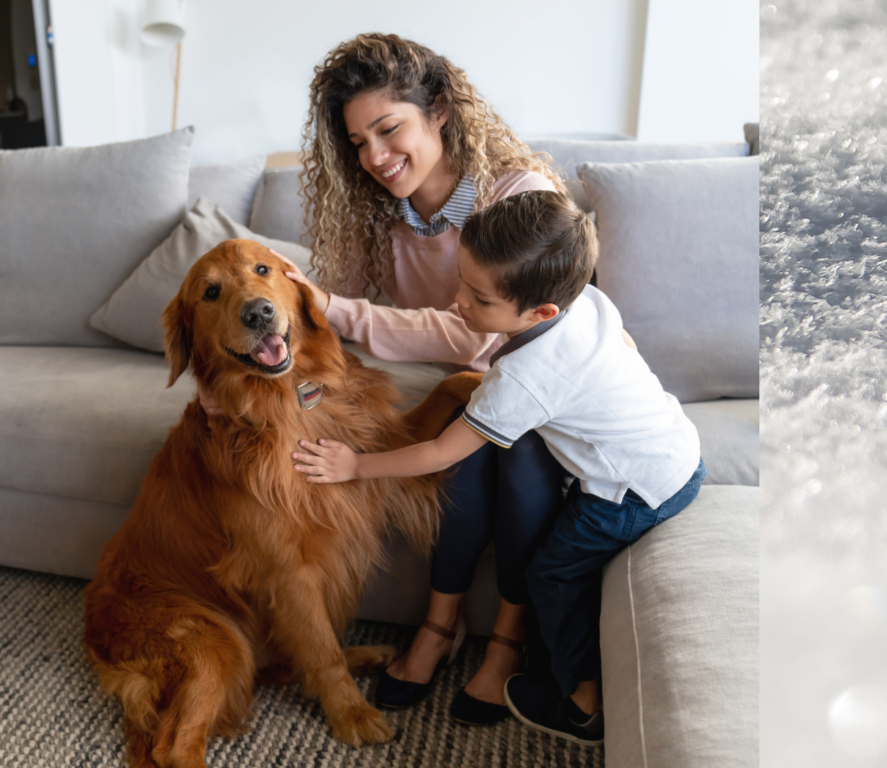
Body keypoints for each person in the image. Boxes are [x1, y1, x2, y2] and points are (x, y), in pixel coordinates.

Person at [232, 31, 575, 727]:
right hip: (466, 393)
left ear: (441, 111)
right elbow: (330, 331)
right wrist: (296, 384)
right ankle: (438, 629)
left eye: (388, 130)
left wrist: (340, 310)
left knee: (520, 461)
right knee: (460, 458)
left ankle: (504, 643)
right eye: (358, 143)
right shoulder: (377, 214)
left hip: (539, 388)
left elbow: (480, 331)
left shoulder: (517, 196)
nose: (375, 158)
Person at [291, 190, 704, 745]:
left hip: (634, 489)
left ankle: (582, 701)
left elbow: (440, 452)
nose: (459, 303)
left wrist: (355, 465)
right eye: (462, 281)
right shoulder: (588, 302)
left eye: (479, 299)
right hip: (677, 448)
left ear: (541, 314)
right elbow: (622, 341)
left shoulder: (523, 380)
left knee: (553, 574)